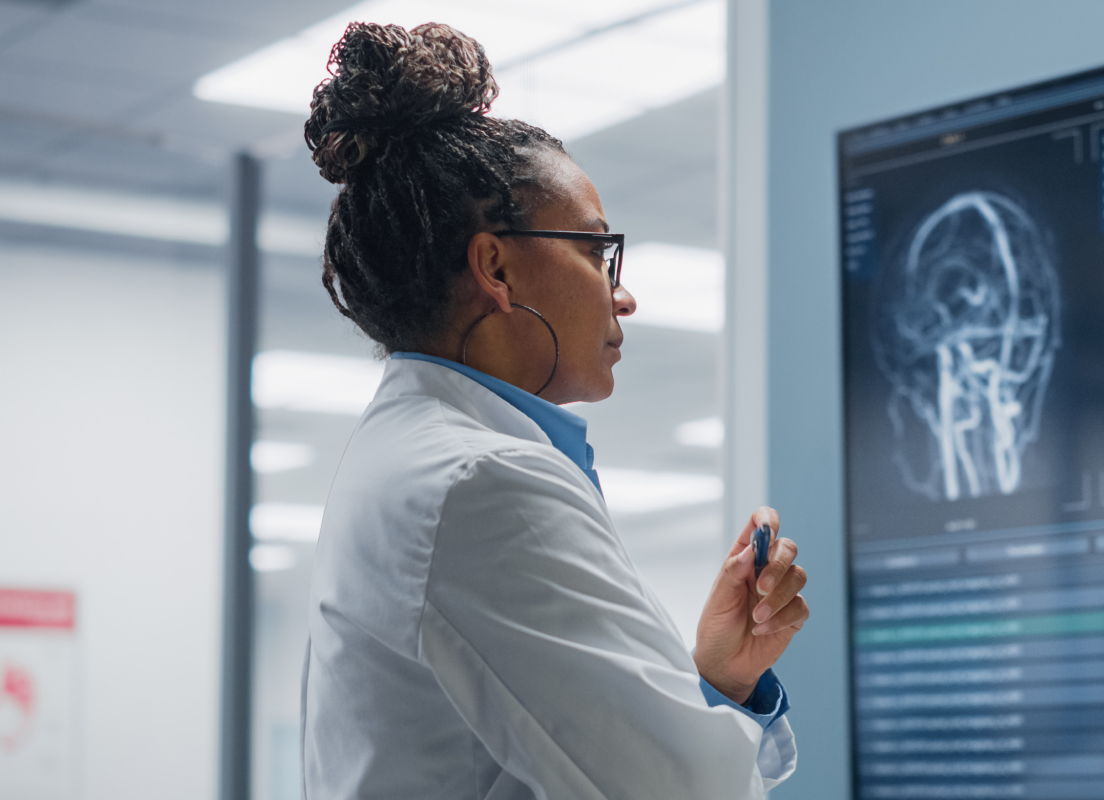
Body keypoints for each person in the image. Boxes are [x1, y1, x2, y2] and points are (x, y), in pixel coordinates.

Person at [297, 22, 808, 799]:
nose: (623, 294)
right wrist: (709, 722)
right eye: (598, 252)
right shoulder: (479, 481)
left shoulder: (416, 454)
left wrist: (717, 681)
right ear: (495, 266)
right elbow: (680, 792)